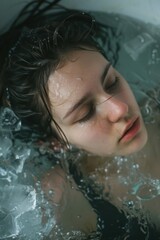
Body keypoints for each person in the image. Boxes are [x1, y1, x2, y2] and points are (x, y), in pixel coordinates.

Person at [0, 0, 160, 239]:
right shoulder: (63, 198)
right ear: (55, 142)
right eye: (85, 113)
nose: (119, 108)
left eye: (111, 82)